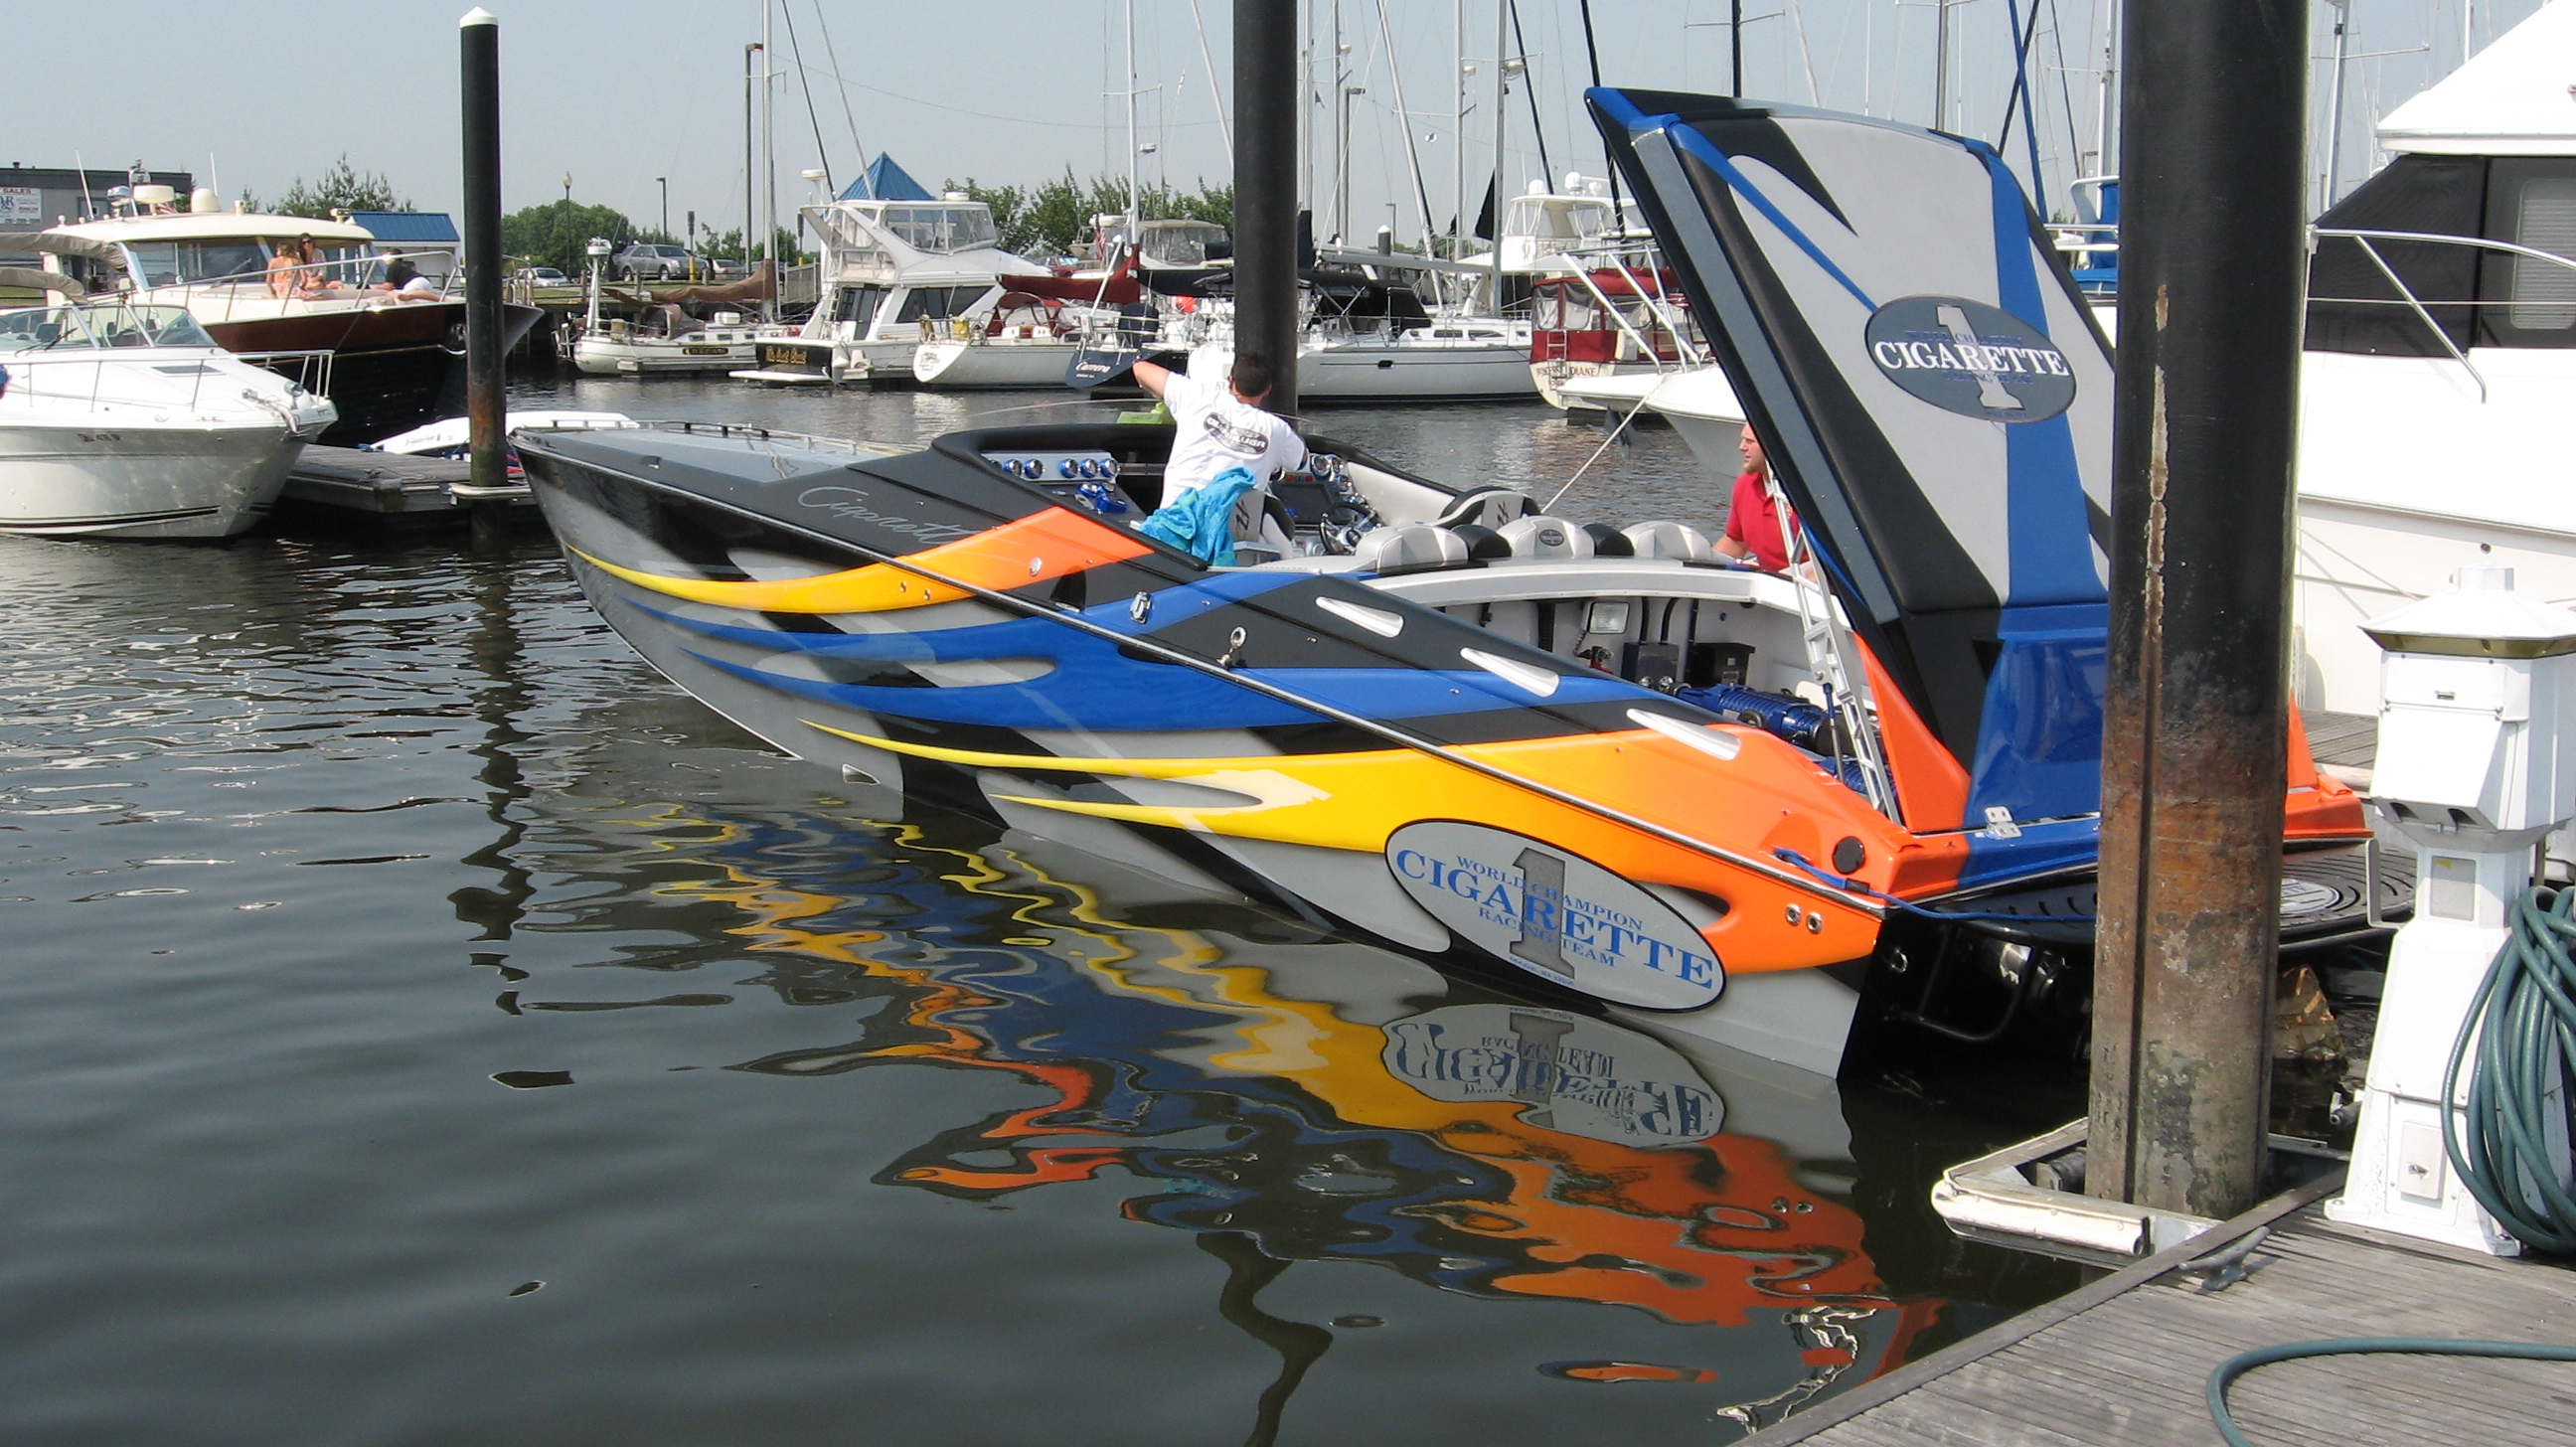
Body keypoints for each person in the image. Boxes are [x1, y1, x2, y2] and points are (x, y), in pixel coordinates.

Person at [1132, 351, 1305, 511]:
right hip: (1226, 531)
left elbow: (1140, 368)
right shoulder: (1278, 429)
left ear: (1231, 381)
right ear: (1268, 389)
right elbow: (1299, 461)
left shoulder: (1196, 397)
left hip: (1175, 519)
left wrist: (1164, 396)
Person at [1715, 422, 1796, 571]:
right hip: (1767, 576)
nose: (1741, 447)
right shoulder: (1745, 484)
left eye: (1750, 441)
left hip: (1802, 579)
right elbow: (1737, 542)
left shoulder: (1805, 496)